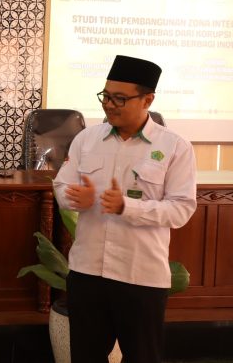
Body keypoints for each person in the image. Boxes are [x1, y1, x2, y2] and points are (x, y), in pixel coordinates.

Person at [54, 55, 197, 363]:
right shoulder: (86, 139)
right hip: (87, 273)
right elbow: (62, 185)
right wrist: (74, 198)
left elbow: (181, 209)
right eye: (105, 96)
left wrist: (127, 207)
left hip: (141, 276)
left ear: (148, 100)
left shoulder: (175, 147)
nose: (109, 105)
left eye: (119, 98)